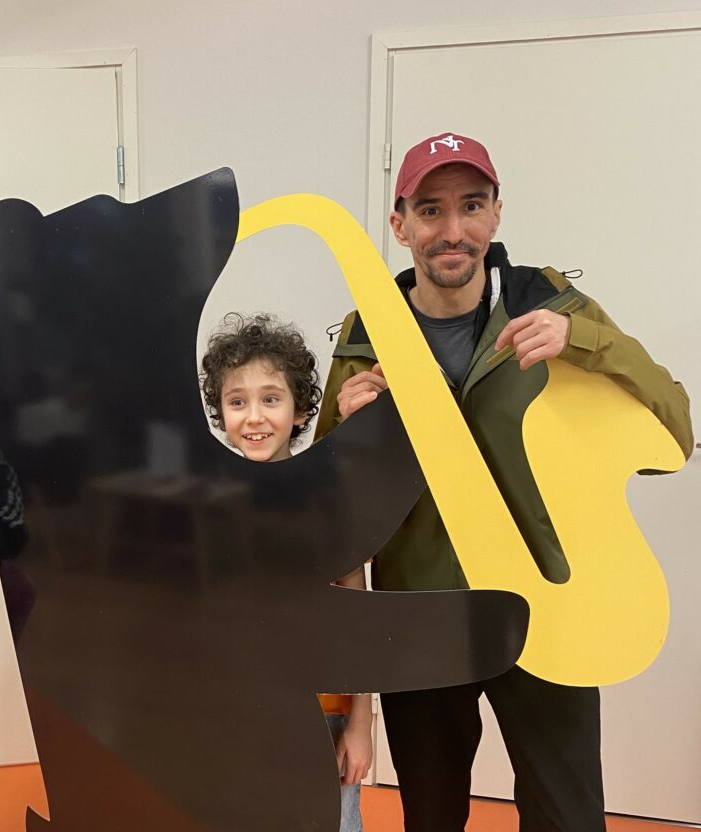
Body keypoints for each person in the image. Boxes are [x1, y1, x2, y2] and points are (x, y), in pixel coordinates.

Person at [314, 132, 694, 831]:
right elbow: (331, 515)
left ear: (496, 215)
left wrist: (584, 343)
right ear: (400, 226)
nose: (452, 231)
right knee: (431, 816)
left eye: (471, 206)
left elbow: (676, 421)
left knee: (567, 814)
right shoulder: (366, 332)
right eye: (430, 210)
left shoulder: (554, 305)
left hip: (549, 606)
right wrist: (348, 434)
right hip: (422, 619)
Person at [201, 312, 373, 831]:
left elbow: (356, 619)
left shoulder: (327, 503)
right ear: (220, 413)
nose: (254, 417)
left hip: (323, 713)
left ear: (299, 411)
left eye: (270, 399)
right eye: (237, 402)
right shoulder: (206, 506)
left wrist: (361, 724)